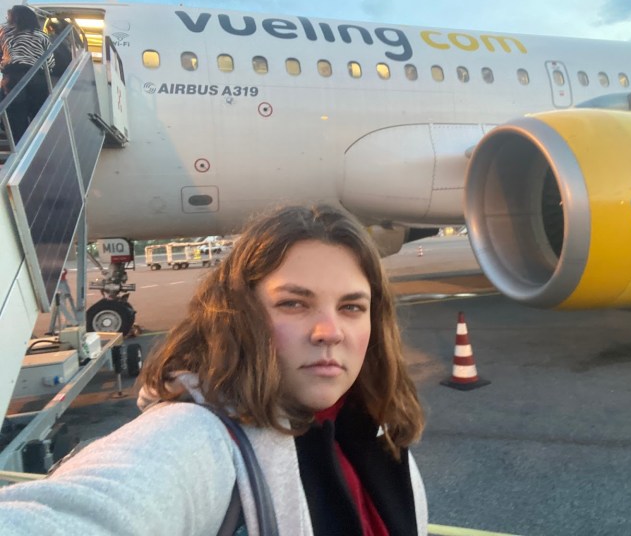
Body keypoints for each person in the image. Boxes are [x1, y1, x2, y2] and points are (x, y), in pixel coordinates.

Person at [0, 204, 428, 535]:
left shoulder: (375, 427)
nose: (330, 332)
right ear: (240, 314)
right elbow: (84, 509)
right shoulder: (198, 438)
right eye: (293, 303)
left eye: (352, 307)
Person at [0, 5, 55, 143]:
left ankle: (20, 146)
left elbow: (5, 57)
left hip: (14, 77)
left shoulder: (7, 34)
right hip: (38, 77)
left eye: (10, 16)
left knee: (15, 115)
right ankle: (37, 144)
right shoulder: (42, 35)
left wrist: (4, 68)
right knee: (38, 114)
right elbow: (50, 61)